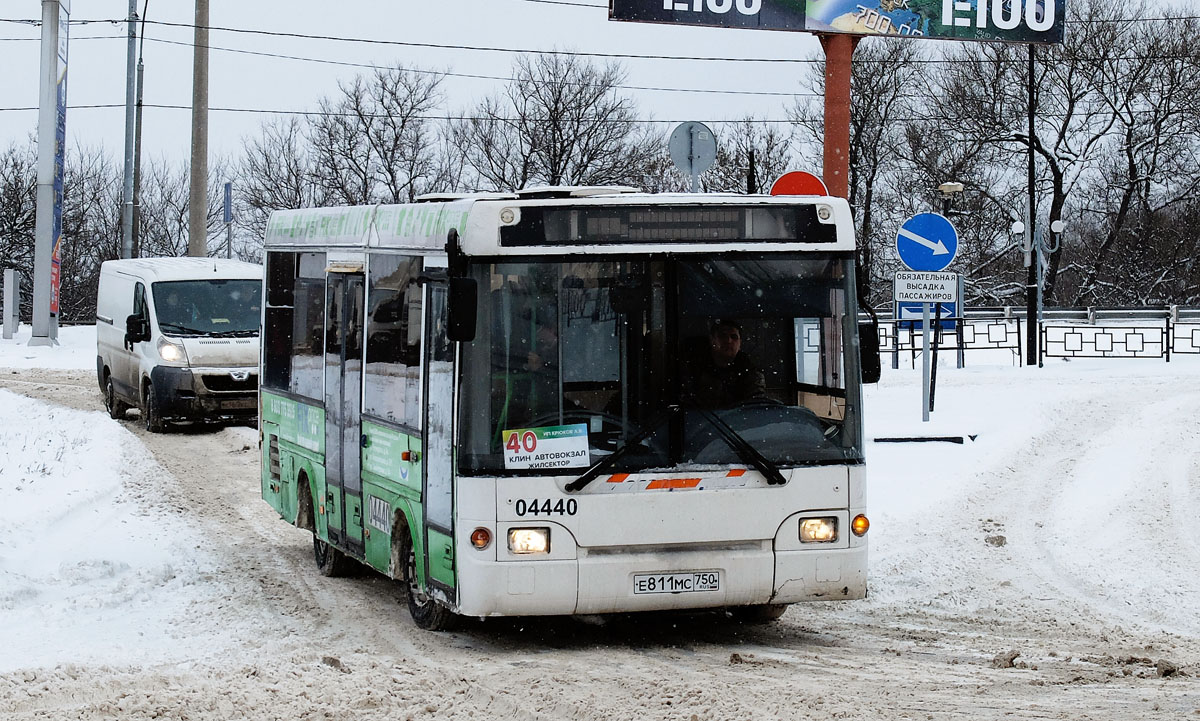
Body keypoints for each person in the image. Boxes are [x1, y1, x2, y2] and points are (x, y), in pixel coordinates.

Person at [682, 318, 767, 410]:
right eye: (722, 336)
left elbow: (756, 405)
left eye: (734, 337)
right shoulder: (693, 369)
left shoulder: (749, 370)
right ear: (712, 340)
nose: (728, 341)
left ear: (740, 343)